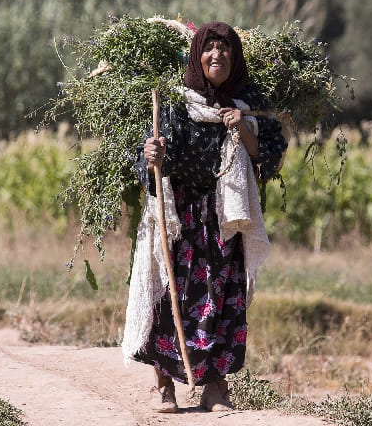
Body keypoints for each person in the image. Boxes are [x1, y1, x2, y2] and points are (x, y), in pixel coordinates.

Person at [121, 21, 287, 413]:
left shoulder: (250, 104)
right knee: (167, 293)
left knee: (222, 299)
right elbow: (145, 165)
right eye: (209, 48)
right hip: (180, 218)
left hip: (225, 218)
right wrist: (152, 158)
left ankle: (215, 387)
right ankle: (164, 386)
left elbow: (271, 156)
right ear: (197, 56)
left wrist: (244, 129)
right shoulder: (177, 105)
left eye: (225, 48)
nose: (218, 55)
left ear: (236, 57)